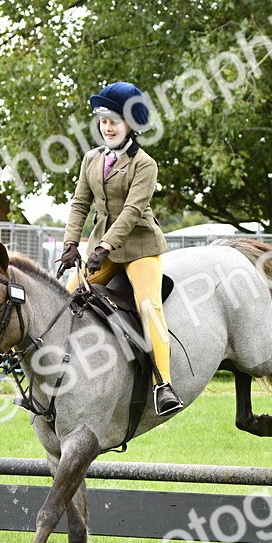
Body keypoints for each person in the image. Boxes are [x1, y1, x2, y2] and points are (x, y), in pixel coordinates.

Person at [58, 82, 183, 416]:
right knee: (67, 299)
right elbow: (79, 203)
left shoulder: (145, 164)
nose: (107, 127)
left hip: (140, 247)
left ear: (130, 124)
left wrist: (103, 247)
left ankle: (163, 385)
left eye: (114, 120)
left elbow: (130, 212)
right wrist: (71, 243)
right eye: (103, 120)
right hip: (103, 248)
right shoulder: (91, 160)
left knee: (148, 308)